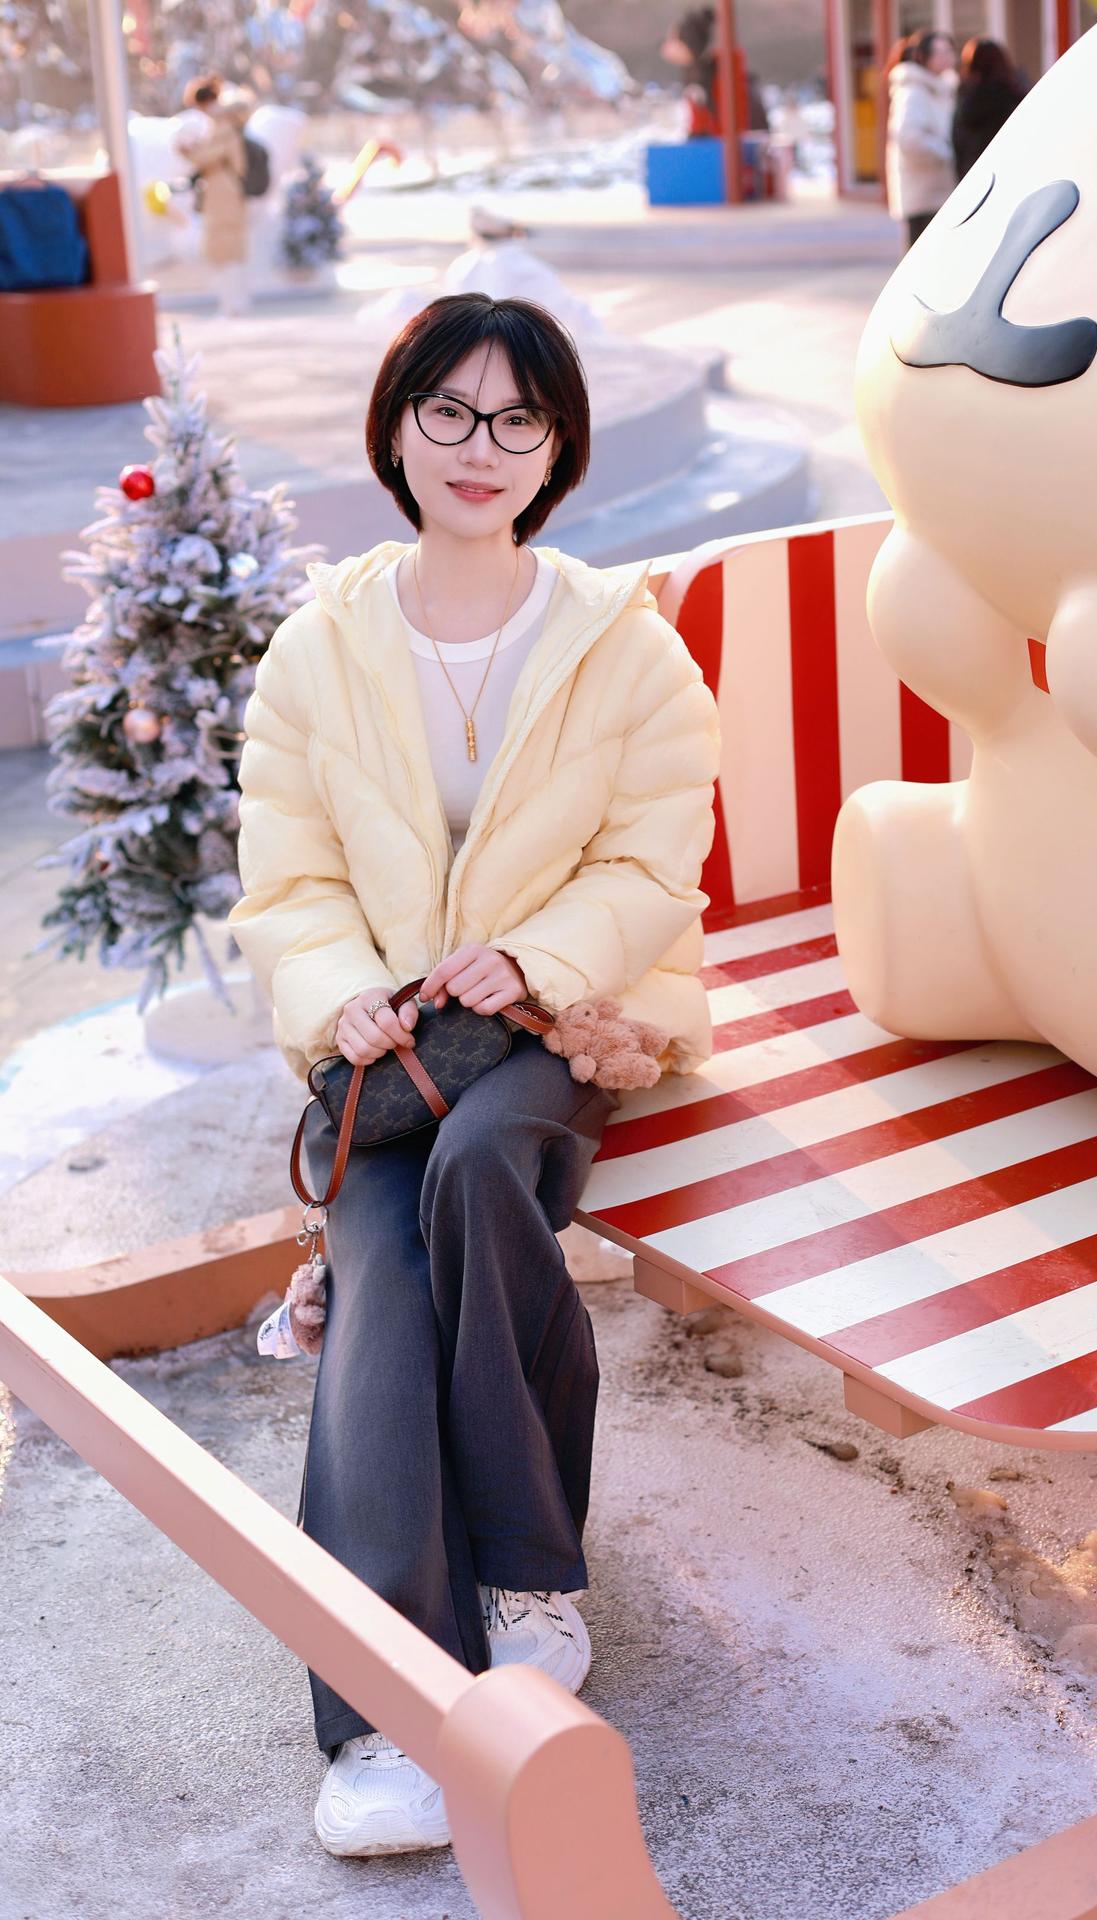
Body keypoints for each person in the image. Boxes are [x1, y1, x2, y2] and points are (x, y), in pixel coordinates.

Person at [227, 292, 721, 1857]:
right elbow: (287, 881)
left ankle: (527, 1576)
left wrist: (543, 957)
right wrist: (343, 996)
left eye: (519, 418)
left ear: (558, 447)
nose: (480, 445)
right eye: (448, 409)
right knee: (379, 1257)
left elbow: (658, 857)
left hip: (572, 1019)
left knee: (478, 1165)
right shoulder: (316, 651)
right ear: (396, 426)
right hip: (391, 1041)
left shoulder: (622, 643)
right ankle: (383, 1703)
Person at [175, 74, 252, 317]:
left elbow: (208, 157)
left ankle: (232, 306)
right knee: (228, 249)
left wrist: (188, 151)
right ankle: (234, 304)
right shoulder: (225, 122)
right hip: (226, 192)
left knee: (224, 250)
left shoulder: (222, 124)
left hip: (224, 193)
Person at [884, 28, 958, 251]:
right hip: (922, 193)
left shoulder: (942, 88)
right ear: (924, 56)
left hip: (940, 188)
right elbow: (908, 138)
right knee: (922, 257)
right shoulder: (913, 92)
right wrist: (945, 153)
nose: (946, 57)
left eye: (949, 51)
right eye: (940, 52)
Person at [952, 37, 1028, 178]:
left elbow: (959, 141)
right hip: (1016, 167)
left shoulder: (968, 97)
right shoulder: (1017, 90)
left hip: (978, 174)